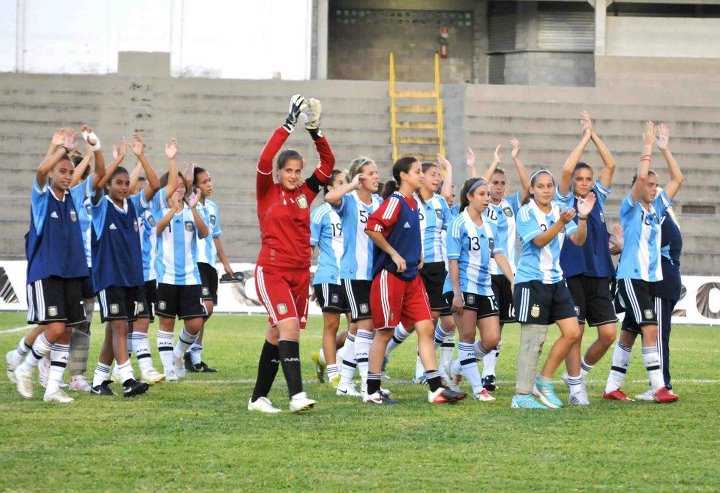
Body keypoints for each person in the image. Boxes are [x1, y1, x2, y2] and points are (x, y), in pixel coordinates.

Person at [248, 95, 335, 413]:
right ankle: (297, 395)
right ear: (279, 172)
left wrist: (315, 131)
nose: (295, 175)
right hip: (271, 271)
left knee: (276, 333)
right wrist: (289, 123)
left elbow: (327, 165)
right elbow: (264, 158)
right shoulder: (266, 190)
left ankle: (258, 399)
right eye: (289, 170)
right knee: (289, 328)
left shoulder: (305, 193)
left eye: (298, 170)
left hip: (300, 273)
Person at [10, 127, 104, 403]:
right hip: (47, 272)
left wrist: (95, 148)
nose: (66, 176)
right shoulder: (42, 198)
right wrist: (61, 148)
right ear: (52, 173)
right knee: (54, 328)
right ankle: (26, 367)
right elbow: (40, 172)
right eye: (61, 171)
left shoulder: (74, 197)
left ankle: (52, 389)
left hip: (72, 273)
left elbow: (100, 174)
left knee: (66, 333)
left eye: (69, 172)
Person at [363, 157, 466, 404]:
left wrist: (416, 253)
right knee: (385, 332)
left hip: (412, 277)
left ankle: (435, 389)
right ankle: (371, 390)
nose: (422, 175)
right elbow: (372, 228)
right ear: (403, 176)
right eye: (417, 171)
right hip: (391, 276)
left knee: (426, 327)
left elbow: (409, 233)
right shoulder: (395, 201)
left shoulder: (413, 203)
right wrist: (394, 253)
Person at [603, 122, 682, 403]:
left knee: (630, 332)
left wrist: (665, 149)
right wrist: (647, 148)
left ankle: (612, 386)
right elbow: (638, 180)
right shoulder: (630, 207)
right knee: (651, 328)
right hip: (631, 277)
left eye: (655, 185)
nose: (654, 188)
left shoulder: (657, 209)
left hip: (649, 279)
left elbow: (678, 180)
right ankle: (659, 386)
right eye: (649, 185)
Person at [511, 169, 595, 409]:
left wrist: (583, 218)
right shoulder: (526, 212)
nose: (546, 190)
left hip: (556, 281)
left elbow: (578, 240)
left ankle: (543, 380)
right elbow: (538, 241)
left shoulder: (559, 209)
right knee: (534, 339)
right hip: (531, 281)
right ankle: (521, 395)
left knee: (572, 332)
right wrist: (561, 222)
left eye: (550, 186)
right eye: (541, 186)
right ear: (533, 189)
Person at [88, 133, 161, 397]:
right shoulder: (100, 207)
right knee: (120, 326)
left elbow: (154, 184)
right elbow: (96, 182)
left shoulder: (133, 205)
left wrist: (141, 156)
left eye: (126, 183)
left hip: (133, 278)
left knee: (116, 327)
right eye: (118, 182)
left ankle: (98, 379)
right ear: (109, 185)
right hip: (109, 278)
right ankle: (128, 379)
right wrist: (117, 158)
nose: (123, 187)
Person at [554, 111, 618, 405]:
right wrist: (583, 138)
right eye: (580, 179)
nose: (583, 182)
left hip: (599, 271)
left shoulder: (597, 198)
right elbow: (566, 171)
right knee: (575, 332)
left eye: (588, 179)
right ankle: (576, 389)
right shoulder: (565, 199)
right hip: (572, 271)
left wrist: (594, 134)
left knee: (607, 334)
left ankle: (579, 373)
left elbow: (611, 164)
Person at [445, 177, 514, 401]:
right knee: (466, 336)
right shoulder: (458, 223)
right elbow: (453, 261)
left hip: (485, 287)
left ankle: (457, 365)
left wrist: (512, 279)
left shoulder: (491, 225)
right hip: (463, 287)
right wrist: (456, 293)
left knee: (492, 339)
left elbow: (499, 253)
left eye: (487, 194)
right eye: (482, 194)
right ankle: (478, 389)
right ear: (469, 197)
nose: (487, 198)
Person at [471, 140, 530, 391]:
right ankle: (471, 366)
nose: (499, 187)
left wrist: (516, 158)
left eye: (502, 183)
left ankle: (489, 373)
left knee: (502, 323)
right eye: (495, 183)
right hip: (485, 273)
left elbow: (529, 188)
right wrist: (494, 162)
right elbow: (476, 187)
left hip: (508, 273)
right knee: (488, 323)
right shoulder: (482, 207)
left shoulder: (511, 205)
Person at [324, 156, 382, 397]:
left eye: (376, 171)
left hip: (375, 272)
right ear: (360, 177)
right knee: (365, 326)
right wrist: (351, 184)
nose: (376, 176)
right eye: (371, 172)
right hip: (353, 272)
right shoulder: (349, 201)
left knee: (359, 328)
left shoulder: (379, 202)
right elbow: (329, 197)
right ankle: (369, 384)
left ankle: (345, 384)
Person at [153, 151, 209, 381]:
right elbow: (155, 230)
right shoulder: (159, 207)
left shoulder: (191, 208)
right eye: (174, 185)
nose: (179, 189)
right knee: (166, 323)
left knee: (195, 323)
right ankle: (168, 370)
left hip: (190, 277)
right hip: (166, 276)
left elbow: (205, 233)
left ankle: (178, 354)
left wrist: (192, 209)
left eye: (181, 186)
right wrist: (172, 213)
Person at [128, 138, 179, 385]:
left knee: (140, 321)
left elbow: (166, 184)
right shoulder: (128, 205)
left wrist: (170, 159)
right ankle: (140, 367)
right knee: (127, 324)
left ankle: (127, 366)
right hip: (130, 273)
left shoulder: (152, 205)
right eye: (138, 184)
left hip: (149, 273)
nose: (143, 187)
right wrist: (139, 159)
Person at [183, 165, 234, 373]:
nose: (209, 184)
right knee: (206, 307)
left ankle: (195, 356)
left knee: (205, 310)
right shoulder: (188, 206)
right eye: (204, 182)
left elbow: (216, 236)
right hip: (195, 262)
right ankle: (185, 348)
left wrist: (226, 263)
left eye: (210, 180)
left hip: (210, 264)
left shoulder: (213, 207)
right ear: (195, 186)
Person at [309, 169, 352, 387]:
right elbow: (309, 246)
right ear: (330, 187)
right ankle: (335, 373)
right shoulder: (320, 213)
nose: (346, 185)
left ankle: (326, 357)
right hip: (329, 276)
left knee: (359, 327)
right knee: (332, 325)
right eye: (341, 182)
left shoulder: (351, 209)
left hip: (352, 276)